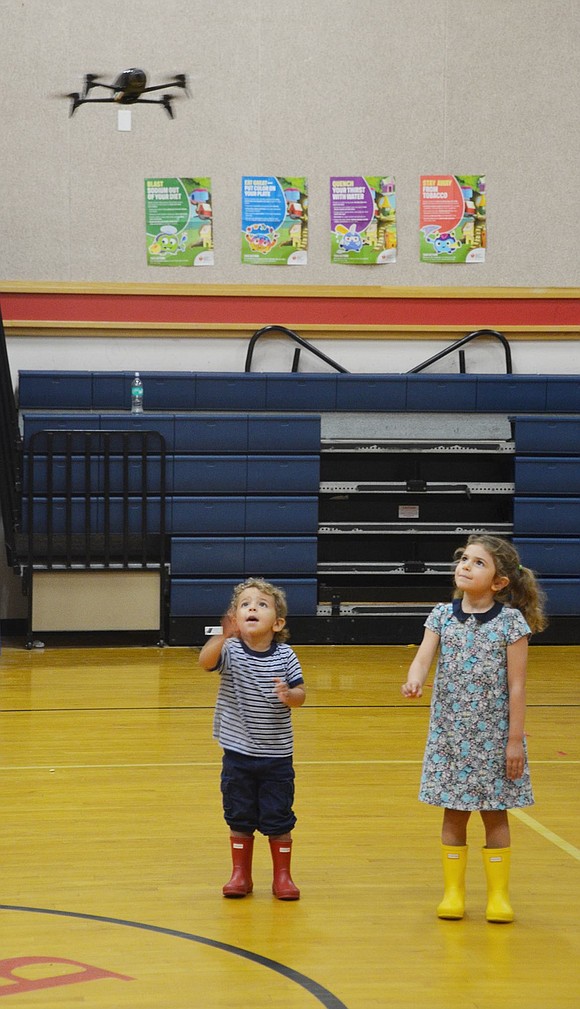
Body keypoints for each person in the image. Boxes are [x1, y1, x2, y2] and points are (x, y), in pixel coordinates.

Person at [402, 534, 547, 923]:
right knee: (453, 814)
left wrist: (514, 741)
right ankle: (454, 893)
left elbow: (517, 686)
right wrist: (415, 679)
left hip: (495, 738)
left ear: (499, 582)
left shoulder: (511, 623)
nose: (465, 566)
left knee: (495, 815)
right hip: (450, 737)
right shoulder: (441, 615)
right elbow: (423, 658)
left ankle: (499, 896)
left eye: (478, 563)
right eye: (464, 559)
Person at [199, 578, 306, 900]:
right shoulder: (229, 650)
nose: (252, 608)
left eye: (261, 604)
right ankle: (240, 875)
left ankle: (283, 877)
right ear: (235, 616)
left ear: (278, 622)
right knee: (239, 815)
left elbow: (302, 694)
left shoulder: (286, 656)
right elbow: (205, 662)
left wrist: (290, 695)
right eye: (245, 604)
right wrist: (222, 635)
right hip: (238, 754)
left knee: (278, 816)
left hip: (276, 756)